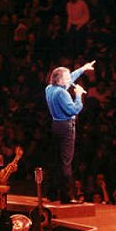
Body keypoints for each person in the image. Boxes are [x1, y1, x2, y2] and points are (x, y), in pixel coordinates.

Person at [45, 60, 95, 204]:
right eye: (66, 78)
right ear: (60, 80)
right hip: (66, 127)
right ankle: (66, 196)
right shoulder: (62, 93)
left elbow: (69, 78)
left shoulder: (49, 88)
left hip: (55, 125)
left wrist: (83, 69)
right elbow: (74, 110)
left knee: (56, 161)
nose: (69, 80)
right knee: (66, 162)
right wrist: (78, 95)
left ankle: (52, 193)